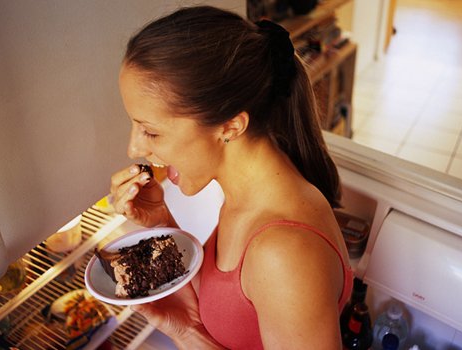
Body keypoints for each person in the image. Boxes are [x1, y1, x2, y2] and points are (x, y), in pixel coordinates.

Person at [109, 6, 353, 349]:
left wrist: (191, 339)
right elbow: (231, 307)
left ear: (231, 126)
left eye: (151, 131)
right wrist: (160, 224)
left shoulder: (283, 253)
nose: (134, 148)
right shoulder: (246, 195)